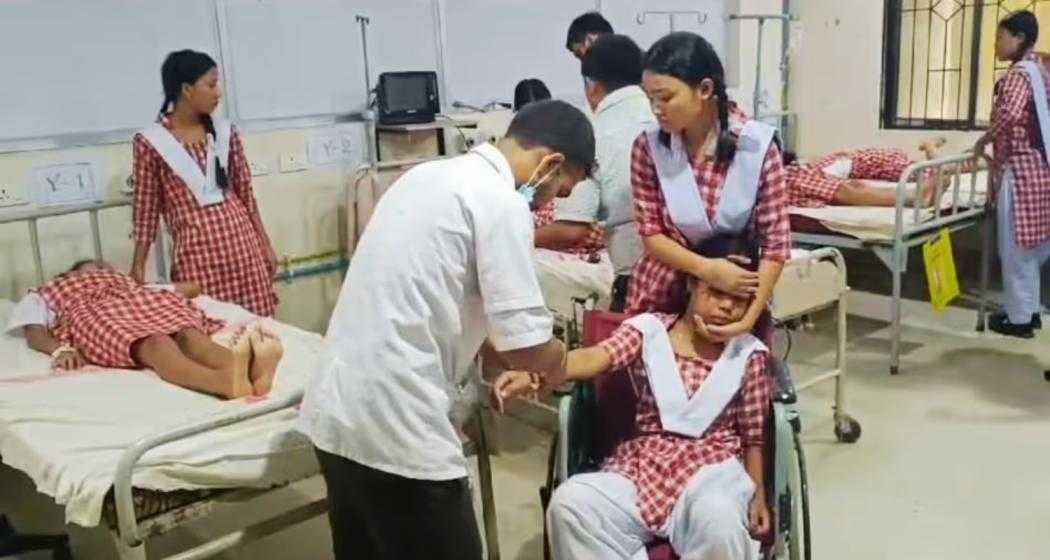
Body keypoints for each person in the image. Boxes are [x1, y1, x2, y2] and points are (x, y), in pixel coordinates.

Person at [299, 100, 595, 560]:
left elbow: (444, 299)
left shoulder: (426, 176)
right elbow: (529, 345)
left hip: (338, 413)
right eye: (560, 188)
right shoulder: (501, 204)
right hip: (399, 424)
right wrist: (558, 365)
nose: (549, 200)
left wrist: (509, 358)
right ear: (550, 163)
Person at [494, 236, 772, 560]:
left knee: (720, 521)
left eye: (739, 299)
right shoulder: (650, 331)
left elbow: (753, 436)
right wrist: (536, 374)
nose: (726, 307)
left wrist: (759, 494)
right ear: (691, 285)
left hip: (713, 473)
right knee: (571, 505)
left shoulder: (749, 355)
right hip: (643, 466)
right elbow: (597, 357)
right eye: (716, 292)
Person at [627, 32, 790, 346]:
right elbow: (651, 235)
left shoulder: (757, 147)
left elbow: (776, 245)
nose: (656, 109)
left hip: (734, 296)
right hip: (663, 288)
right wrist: (706, 270)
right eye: (650, 99)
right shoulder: (648, 149)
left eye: (665, 97)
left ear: (704, 89)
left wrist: (750, 317)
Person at [131, 50, 278, 317]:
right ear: (187, 89)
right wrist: (138, 267)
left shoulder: (224, 132)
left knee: (260, 331)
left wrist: (265, 244)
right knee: (212, 331)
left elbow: (245, 194)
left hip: (244, 251)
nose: (218, 92)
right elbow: (145, 211)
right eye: (210, 85)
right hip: (198, 260)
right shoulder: (151, 143)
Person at [5, 260, 282, 399]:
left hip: (147, 302)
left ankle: (243, 369)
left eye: (103, 267)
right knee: (156, 343)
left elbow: (191, 289)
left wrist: (141, 284)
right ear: (69, 275)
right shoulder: (49, 291)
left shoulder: (127, 283)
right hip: (99, 314)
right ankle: (225, 383)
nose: (99, 270)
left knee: (188, 332)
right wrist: (60, 349)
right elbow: (34, 329)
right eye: (90, 269)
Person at [538, 34, 657, 311]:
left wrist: (520, 237)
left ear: (591, 86)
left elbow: (571, 228)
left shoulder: (593, 134)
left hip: (637, 279)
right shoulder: (664, 114)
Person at [974, 10, 1050, 338]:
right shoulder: (1041, 70)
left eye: (1000, 37)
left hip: (1020, 171)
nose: (995, 44)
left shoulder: (1019, 74)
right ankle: (1030, 311)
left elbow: (1009, 114)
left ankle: (1018, 320)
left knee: (1016, 247)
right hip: (1040, 168)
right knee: (1031, 248)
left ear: (1019, 38)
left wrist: (983, 140)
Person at [785, 140, 948, 208]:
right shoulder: (791, 176)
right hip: (848, 163)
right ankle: (932, 153)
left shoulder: (799, 169)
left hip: (844, 163)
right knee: (851, 188)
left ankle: (934, 153)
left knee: (853, 186)